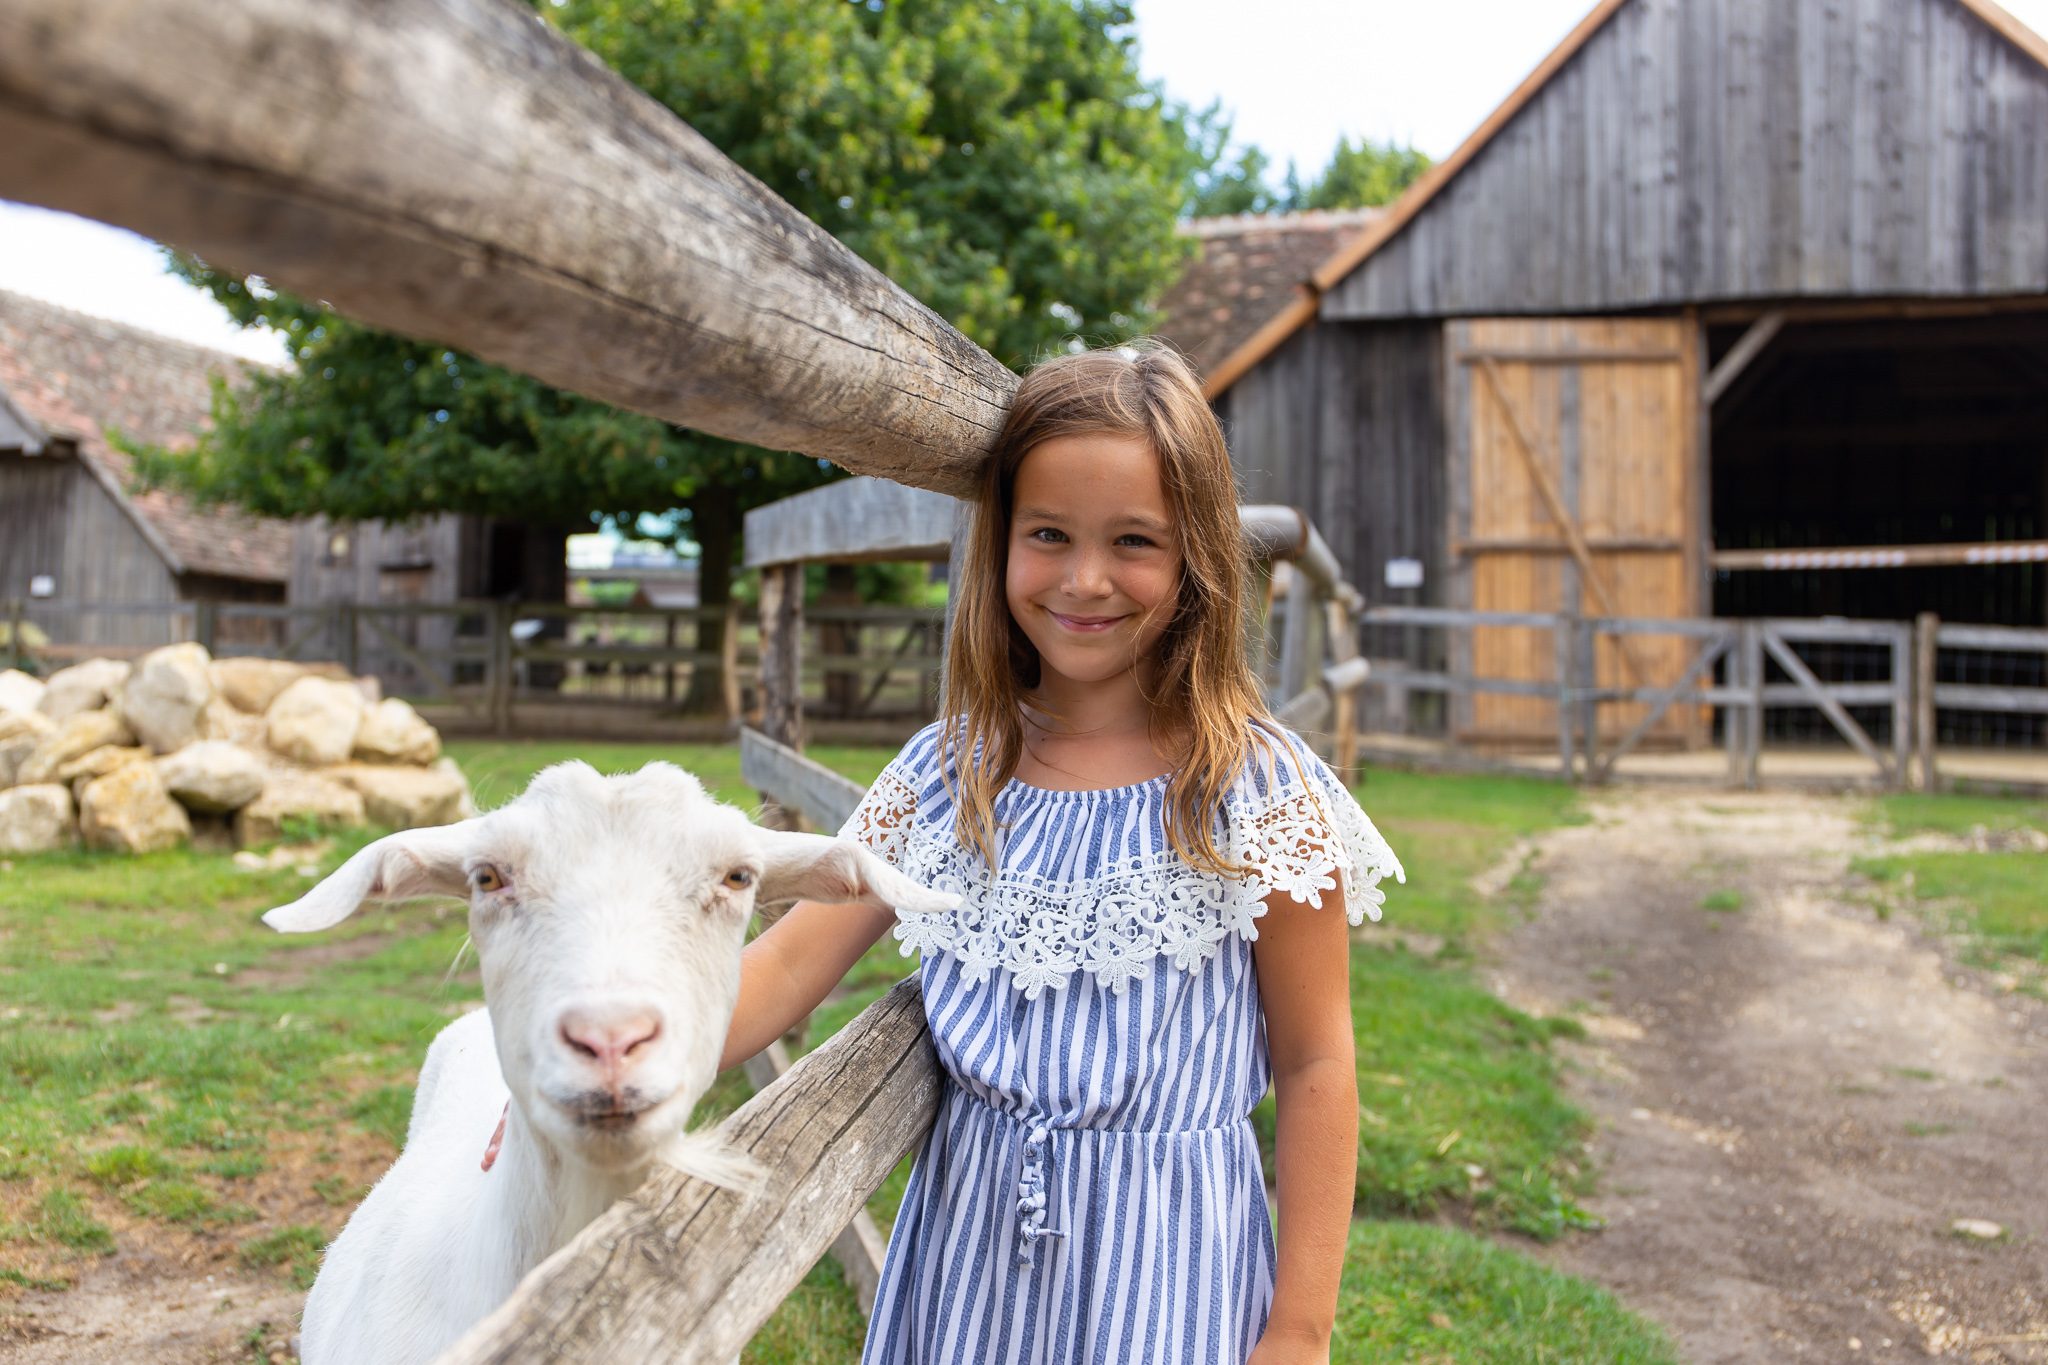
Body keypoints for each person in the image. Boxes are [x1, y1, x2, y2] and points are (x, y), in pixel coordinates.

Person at [718, 341, 1402, 1364]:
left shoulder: (1256, 788)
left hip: (1172, 1274)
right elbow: (780, 965)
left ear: (1196, 558)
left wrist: (1298, 1330)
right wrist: (594, 1079)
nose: (1085, 580)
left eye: (1134, 540)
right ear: (999, 545)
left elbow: (1314, 1062)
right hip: (966, 1268)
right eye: (1047, 534)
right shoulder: (949, 771)